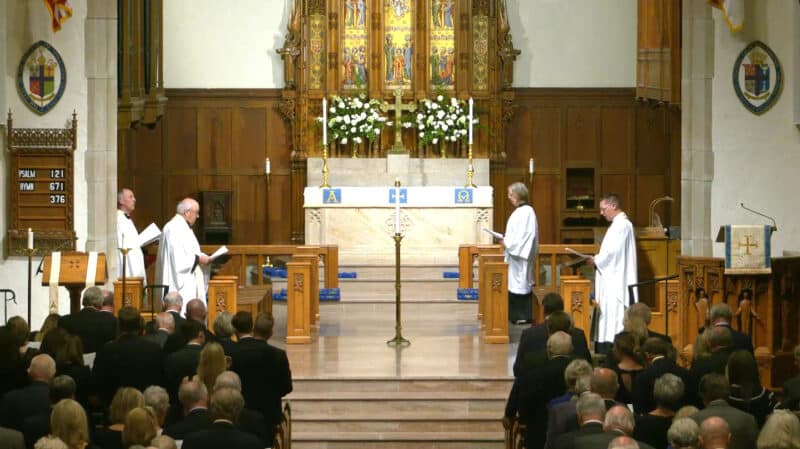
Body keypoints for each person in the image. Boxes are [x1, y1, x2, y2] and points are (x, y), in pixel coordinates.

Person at [587, 193, 637, 354]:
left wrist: (597, 260)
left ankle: (612, 348)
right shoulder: (617, 224)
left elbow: (613, 253)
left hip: (616, 280)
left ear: (613, 206)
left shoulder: (622, 225)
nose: (601, 213)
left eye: (603, 209)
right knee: (607, 313)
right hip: (611, 276)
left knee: (614, 314)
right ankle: (604, 346)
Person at [155, 198, 211, 312]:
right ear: (187, 212)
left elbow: (190, 252)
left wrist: (202, 257)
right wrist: (198, 258)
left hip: (188, 278)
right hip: (179, 284)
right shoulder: (175, 228)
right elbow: (178, 260)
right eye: (196, 212)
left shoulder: (183, 227)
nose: (198, 216)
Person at [500, 182, 539, 324]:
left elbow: (525, 236)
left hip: (520, 256)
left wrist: (507, 243)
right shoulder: (520, 212)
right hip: (515, 256)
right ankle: (515, 316)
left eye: (510, 194)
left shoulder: (527, 212)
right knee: (514, 284)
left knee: (520, 284)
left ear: (517, 195)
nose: (509, 197)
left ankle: (522, 316)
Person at [57, 286, 117, 353]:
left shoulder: (64, 321)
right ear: (101, 303)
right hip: (100, 358)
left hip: (75, 358)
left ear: (83, 301)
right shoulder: (111, 321)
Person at [117, 188, 147, 283]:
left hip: (135, 264)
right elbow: (122, 244)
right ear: (121, 201)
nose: (134, 199)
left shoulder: (126, 218)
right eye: (130, 197)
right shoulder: (119, 219)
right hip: (129, 268)